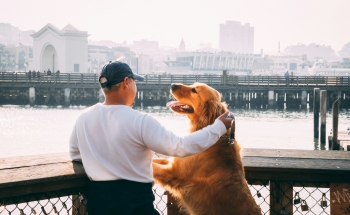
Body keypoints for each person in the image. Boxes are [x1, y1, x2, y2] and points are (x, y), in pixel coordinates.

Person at [69, 61, 233, 215]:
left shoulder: (83, 118)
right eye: (135, 82)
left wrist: (102, 161)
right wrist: (218, 127)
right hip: (135, 202)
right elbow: (180, 146)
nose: (136, 87)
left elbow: (75, 154)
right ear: (126, 83)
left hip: (99, 202)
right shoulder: (140, 121)